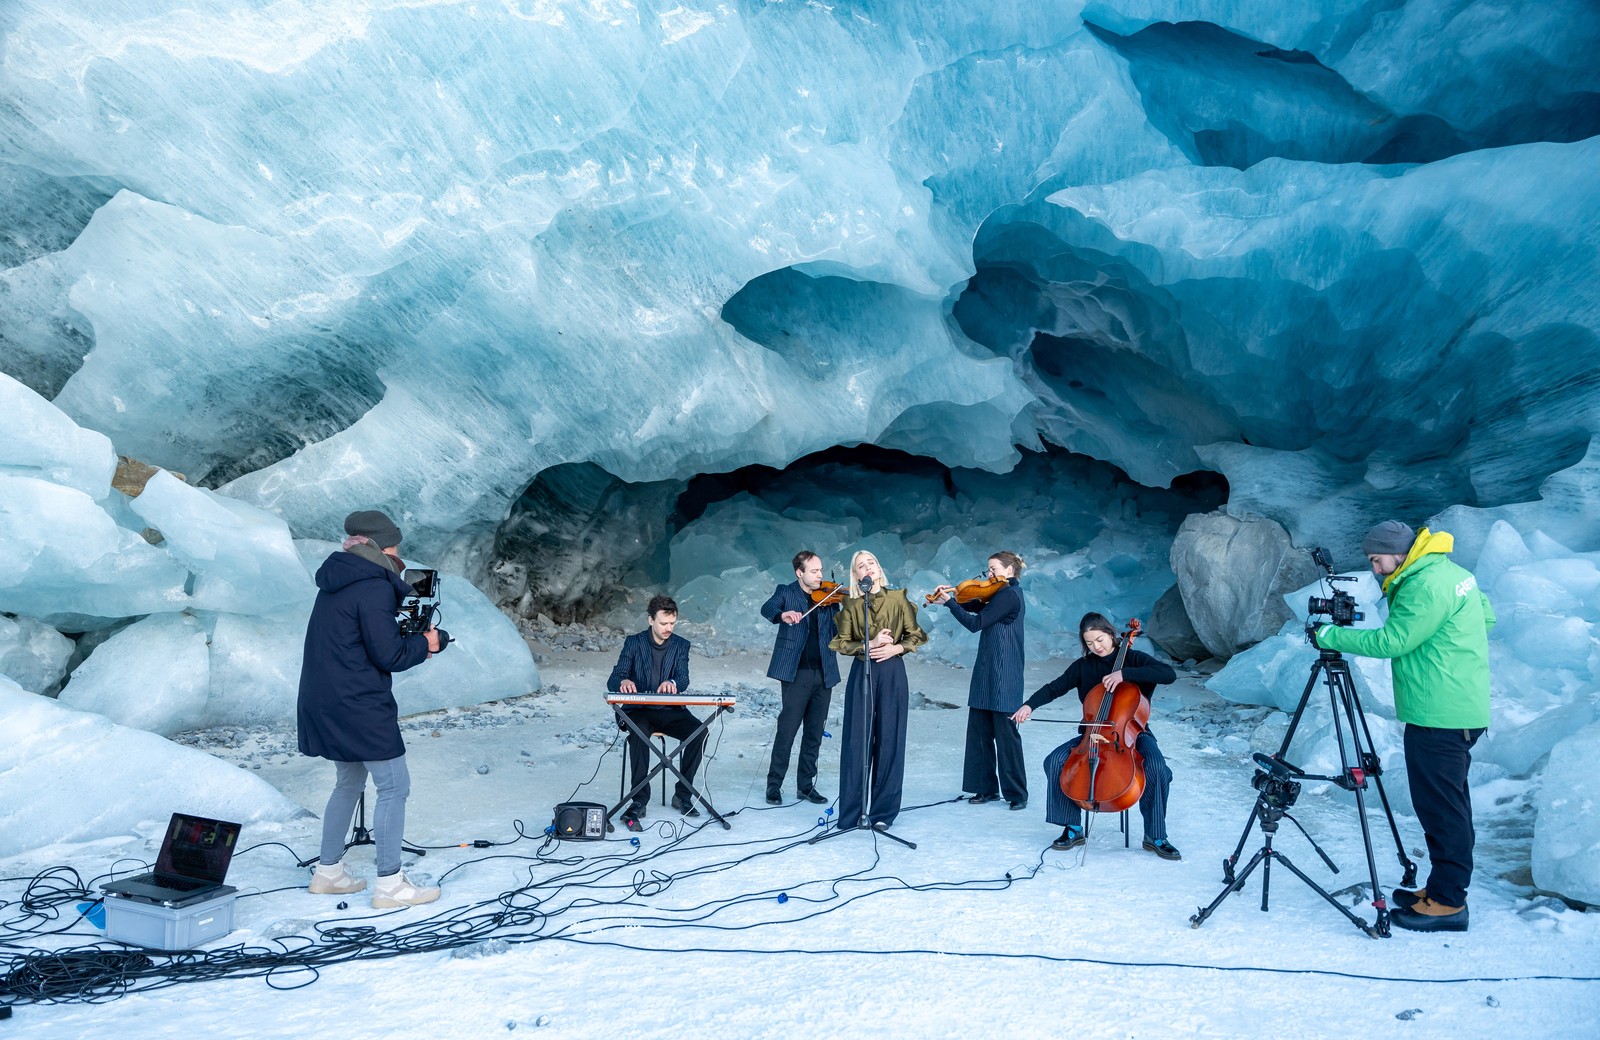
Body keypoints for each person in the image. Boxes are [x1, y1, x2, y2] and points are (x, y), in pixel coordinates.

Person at [1313, 520, 1494, 933]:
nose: (1376, 570)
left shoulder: (1422, 585)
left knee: (1441, 809)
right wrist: (1446, 654)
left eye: (1377, 560)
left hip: (1439, 715)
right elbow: (1486, 619)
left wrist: (1330, 635)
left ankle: (1448, 903)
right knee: (1451, 805)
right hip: (1459, 705)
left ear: (1397, 552)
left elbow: (1392, 642)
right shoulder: (1452, 574)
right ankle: (1440, 888)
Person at [298, 509, 444, 909]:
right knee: (394, 786)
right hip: (360, 702)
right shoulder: (375, 586)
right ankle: (391, 884)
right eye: (396, 547)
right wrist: (427, 644)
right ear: (380, 547)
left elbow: (356, 639)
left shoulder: (336, 581)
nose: (400, 556)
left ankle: (328, 873)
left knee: (347, 783)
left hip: (325, 699)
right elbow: (390, 654)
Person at [1013, 612, 1181, 860]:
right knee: (1055, 761)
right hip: (1092, 733)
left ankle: (1155, 836)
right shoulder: (1083, 666)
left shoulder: (1132, 658)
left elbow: (1168, 674)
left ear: (1111, 635)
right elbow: (1054, 688)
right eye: (1089, 643)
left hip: (1131, 733)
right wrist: (1029, 705)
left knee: (1156, 766)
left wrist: (1125, 674)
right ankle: (1073, 827)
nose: (1096, 647)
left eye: (1100, 639)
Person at [828, 550, 927, 830]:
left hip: (893, 672)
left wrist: (897, 647)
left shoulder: (898, 599)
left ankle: (883, 813)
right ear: (856, 576)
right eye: (861, 566)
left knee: (890, 741)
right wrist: (868, 644)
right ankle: (851, 813)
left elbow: (916, 635)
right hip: (863, 672)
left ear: (879, 570)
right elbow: (840, 642)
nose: (867, 568)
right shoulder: (850, 605)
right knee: (857, 741)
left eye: (871, 563)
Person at [932, 552, 1028, 810]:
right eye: (987, 569)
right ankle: (986, 789)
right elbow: (979, 605)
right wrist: (950, 601)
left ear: (1009, 570)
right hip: (987, 671)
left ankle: (1017, 793)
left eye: (994, 569)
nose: (988, 575)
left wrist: (952, 604)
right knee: (980, 733)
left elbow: (978, 623)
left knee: (1006, 737)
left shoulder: (1009, 595)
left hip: (1004, 674)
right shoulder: (999, 593)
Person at [607, 594, 704, 830]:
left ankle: (683, 794)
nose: (668, 628)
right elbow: (615, 677)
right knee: (639, 733)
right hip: (638, 710)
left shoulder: (681, 645)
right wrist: (623, 682)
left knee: (699, 732)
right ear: (651, 620)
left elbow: (683, 678)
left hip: (669, 711)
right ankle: (639, 801)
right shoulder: (634, 642)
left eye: (672, 623)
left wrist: (673, 683)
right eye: (663, 624)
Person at [759, 551, 840, 805]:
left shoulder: (828, 597)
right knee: (787, 731)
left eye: (820, 571)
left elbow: (837, 628)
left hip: (824, 672)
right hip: (796, 673)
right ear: (799, 573)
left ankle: (805, 786)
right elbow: (767, 607)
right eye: (814, 571)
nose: (820, 576)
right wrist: (782, 615)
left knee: (814, 733)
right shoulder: (786, 591)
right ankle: (774, 786)